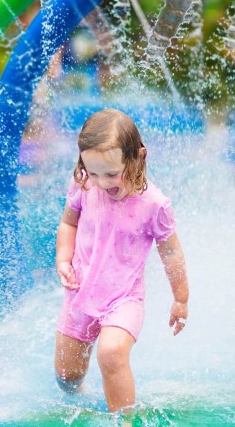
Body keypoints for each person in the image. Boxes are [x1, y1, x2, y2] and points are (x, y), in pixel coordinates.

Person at [54, 108, 190, 414]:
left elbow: (171, 253)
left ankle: (125, 420)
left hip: (124, 297)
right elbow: (69, 222)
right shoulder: (83, 183)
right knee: (67, 377)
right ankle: (83, 398)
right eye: (94, 172)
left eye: (111, 173)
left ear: (137, 157)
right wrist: (63, 258)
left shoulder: (154, 204)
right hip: (80, 290)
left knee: (112, 353)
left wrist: (180, 299)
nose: (102, 182)